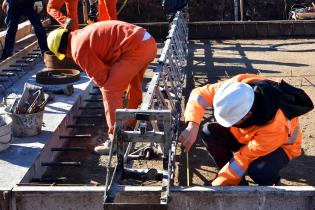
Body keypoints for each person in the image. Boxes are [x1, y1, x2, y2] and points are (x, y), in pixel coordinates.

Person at [179, 73, 313, 186]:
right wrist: (193, 125)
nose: (226, 124)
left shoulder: (275, 124)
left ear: (247, 115)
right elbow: (199, 94)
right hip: (246, 135)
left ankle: (272, 185)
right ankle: (238, 183)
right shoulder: (236, 86)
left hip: (279, 147)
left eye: (231, 120)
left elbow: (243, 158)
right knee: (209, 131)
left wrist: (218, 186)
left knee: (259, 170)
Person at [47, 20, 157, 154]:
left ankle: (116, 140)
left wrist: (113, 92)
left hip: (135, 49)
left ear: (62, 50)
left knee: (110, 90)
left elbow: (102, 78)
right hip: (148, 42)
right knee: (134, 85)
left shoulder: (78, 49)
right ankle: (130, 123)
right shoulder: (81, 35)